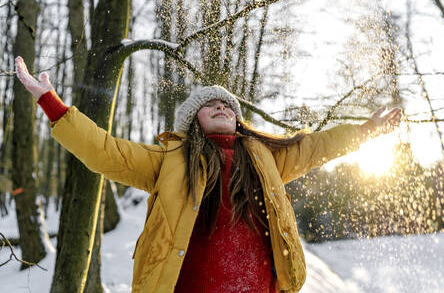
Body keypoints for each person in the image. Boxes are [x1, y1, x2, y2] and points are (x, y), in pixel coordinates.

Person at [14, 56, 401, 293]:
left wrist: (366, 132)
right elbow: (105, 151)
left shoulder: (264, 157)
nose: (221, 107)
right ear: (192, 121)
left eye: (228, 105)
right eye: (210, 104)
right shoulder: (170, 159)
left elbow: (315, 147)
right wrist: (51, 102)